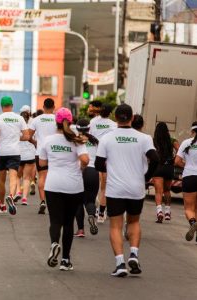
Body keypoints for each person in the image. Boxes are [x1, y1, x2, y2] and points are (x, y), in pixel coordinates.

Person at [95, 104, 159, 277]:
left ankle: (120, 264)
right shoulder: (144, 138)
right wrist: (146, 177)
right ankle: (134, 254)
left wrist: (111, 167)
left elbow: (98, 164)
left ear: (116, 118)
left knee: (116, 225)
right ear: (131, 118)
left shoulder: (107, 139)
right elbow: (155, 158)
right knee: (134, 222)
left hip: (115, 189)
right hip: (136, 187)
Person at [39, 108, 89, 271]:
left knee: (55, 220)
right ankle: (65, 260)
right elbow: (86, 160)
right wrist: (80, 167)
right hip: (73, 186)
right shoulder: (77, 140)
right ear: (71, 121)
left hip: (53, 184)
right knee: (68, 223)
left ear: (56, 122)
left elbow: (41, 164)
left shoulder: (48, 140)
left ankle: (54, 243)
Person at [0, 96, 29, 215]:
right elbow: (27, 136)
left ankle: (2, 204)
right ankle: (11, 196)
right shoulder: (19, 118)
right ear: (12, 105)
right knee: (13, 177)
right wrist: (16, 137)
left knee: (1, 180)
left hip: (1, 152)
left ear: (1, 106)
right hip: (14, 151)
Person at [28, 98, 57, 214]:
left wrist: (34, 143)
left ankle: (42, 201)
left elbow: (28, 135)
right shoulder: (57, 119)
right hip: (55, 152)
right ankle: (53, 202)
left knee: (42, 177)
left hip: (40, 152)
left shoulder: (36, 120)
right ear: (54, 107)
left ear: (44, 107)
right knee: (55, 177)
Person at [90, 103, 117, 224]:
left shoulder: (93, 122)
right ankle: (101, 213)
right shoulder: (114, 125)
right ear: (110, 113)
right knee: (104, 187)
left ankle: (96, 206)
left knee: (96, 184)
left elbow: (89, 136)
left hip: (94, 156)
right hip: (107, 157)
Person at [74, 119, 99, 237]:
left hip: (80, 171)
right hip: (93, 172)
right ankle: (91, 215)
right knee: (90, 200)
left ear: (77, 128)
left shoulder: (75, 140)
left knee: (78, 202)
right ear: (89, 128)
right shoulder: (95, 141)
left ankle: (80, 230)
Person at [152, 122, 179, 223]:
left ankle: (159, 212)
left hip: (158, 167)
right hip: (169, 167)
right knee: (167, 191)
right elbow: (180, 151)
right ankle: (167, 212)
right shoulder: (172, 140)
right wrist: (173, 160)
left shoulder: (153, 141)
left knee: (158, 192)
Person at [175, 122, 197, 242]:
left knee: (189, 208)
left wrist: (187, 165)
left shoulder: (186, 143)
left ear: (192, 131)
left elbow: (177, 161)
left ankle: (193, 223)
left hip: (189, 177)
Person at [16, 110, 36, 206]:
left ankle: (18, 192)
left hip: (18, 154)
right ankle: (24, 198)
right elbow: (34, 140)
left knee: (17, 176)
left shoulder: (17, 128)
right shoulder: (32, 128)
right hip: (30, 155)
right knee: (27, 177)